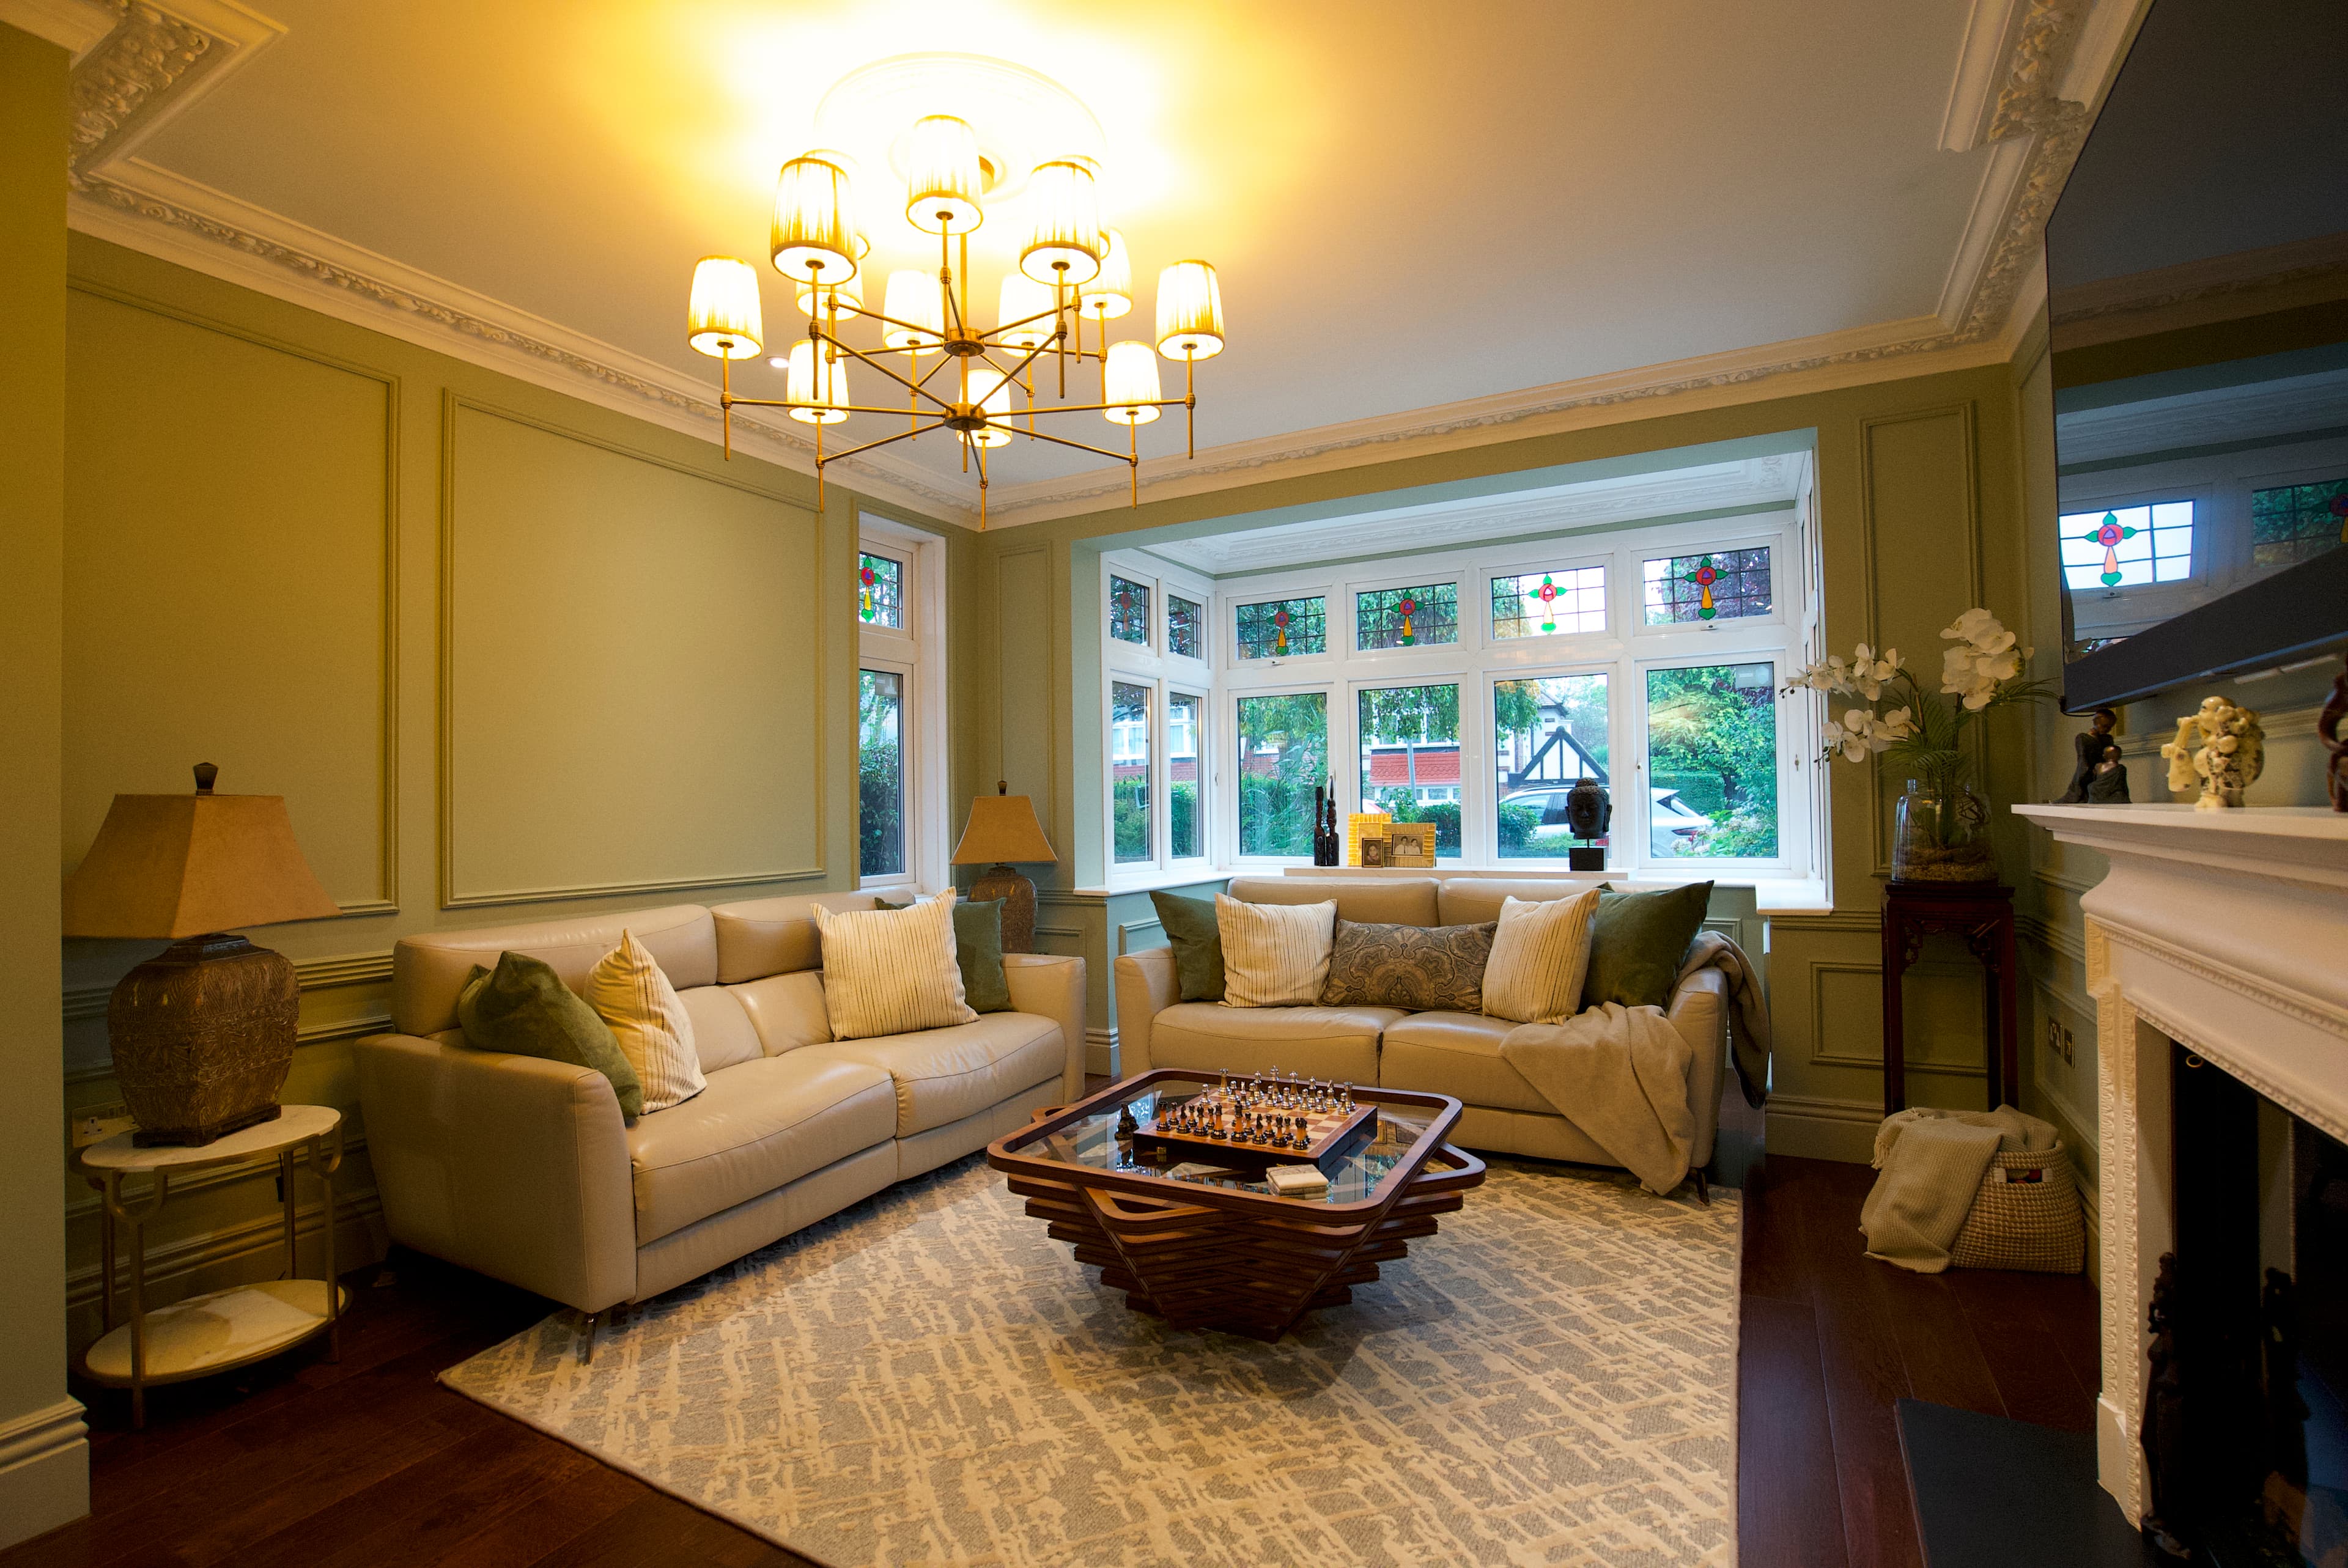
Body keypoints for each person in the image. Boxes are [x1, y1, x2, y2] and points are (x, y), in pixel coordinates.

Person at [2058, 707, 2119, 803]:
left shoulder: (2108, 739)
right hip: (2088, 770)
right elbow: (2084, 757)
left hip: (2102, 772)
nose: (2107, 730)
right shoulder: (2084, 738)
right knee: (2081, 788)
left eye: (2110, 728)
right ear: (2096, 722)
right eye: (2105, 726)